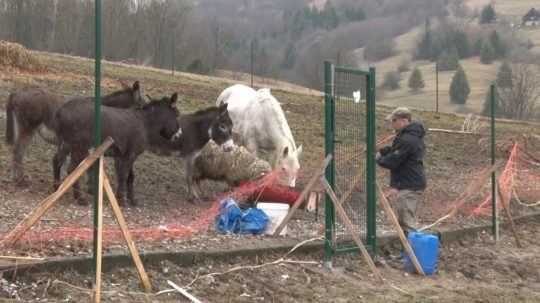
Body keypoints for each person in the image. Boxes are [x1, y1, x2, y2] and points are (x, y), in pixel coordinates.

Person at [376, 107, 426, 234]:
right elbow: (396, 151)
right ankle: (407, 252)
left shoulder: (408, 139)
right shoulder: (407, 137)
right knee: (403, 220)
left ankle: (414, 252)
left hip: (409, 184)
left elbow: (393, 160)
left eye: (394, 120)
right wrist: (383, 151)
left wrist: (378, 159)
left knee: (407, 221)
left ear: (404, 121)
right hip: (407, 183)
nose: (391, 123)